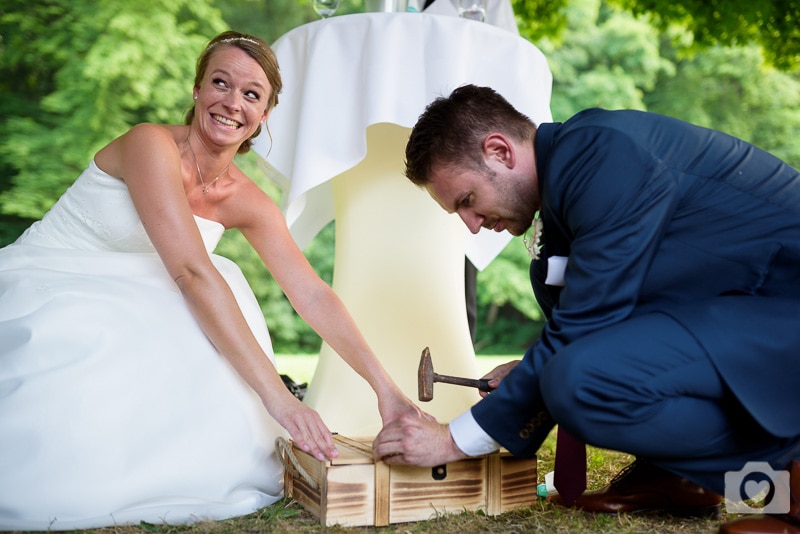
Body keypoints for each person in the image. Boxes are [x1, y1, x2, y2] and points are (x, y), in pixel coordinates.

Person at [0, 31, 421, 531]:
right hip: (56, 276)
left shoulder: (247, 199)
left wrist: (386, 389)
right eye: (220, 83)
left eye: (251, 95)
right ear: (197, 91)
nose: (232, 103)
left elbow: (310, 293)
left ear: (264, 115)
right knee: (206, 283)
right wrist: (281, 400)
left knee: (219, 290)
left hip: (145, 292)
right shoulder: (149, 145)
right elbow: (190, 271)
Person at [371, 84, 800, 534]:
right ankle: (682, 481)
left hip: (781, 313)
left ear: (499, 152)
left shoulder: (601, 154)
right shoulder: (567, 195)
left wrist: (453, 440)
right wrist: (528, 371)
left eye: (468, 201)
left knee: (578, 380)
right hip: (738, 320)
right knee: (573, 373)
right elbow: (608, 317)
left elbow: (586, 326)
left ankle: (789, 475)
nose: (473, 226)